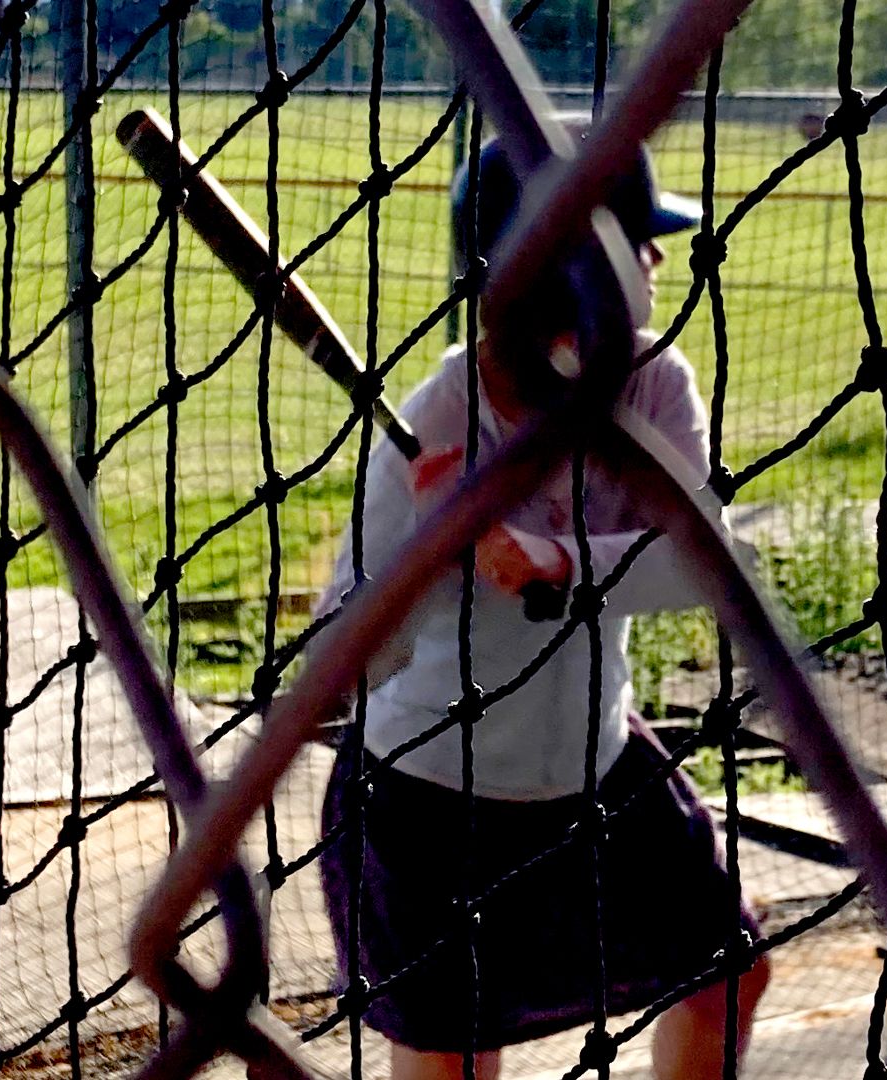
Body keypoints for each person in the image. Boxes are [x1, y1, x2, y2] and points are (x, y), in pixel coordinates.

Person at [313, 125, 769, 1080]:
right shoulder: (436, 418)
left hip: (598, 769)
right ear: (569, 273)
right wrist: (426, 564)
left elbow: (701, 561)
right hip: (431, 801)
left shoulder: (652, 380)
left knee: (731, 967)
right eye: (634, 245)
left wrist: (552, 560)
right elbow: (340, 665)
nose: (654, 262)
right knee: (455, 1062)